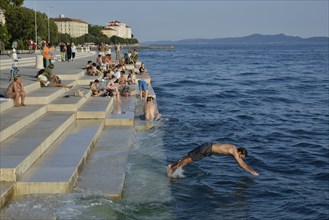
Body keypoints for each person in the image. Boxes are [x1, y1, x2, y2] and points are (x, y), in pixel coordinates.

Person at [167, 143, 260, 178]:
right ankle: (173, 170)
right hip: (207, 149)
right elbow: (241, 164)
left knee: (188, 157)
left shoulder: (233, 149)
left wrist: (249, 168)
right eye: (242, 156)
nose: (241, 158)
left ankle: (172, 166)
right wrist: (252, 171)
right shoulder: (234, 150)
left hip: (207, 149)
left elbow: (242, 162)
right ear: (240, 153)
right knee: (189, 160)